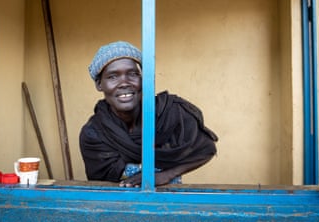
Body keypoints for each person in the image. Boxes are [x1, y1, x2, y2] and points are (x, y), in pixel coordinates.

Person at [79, 41, 218, 187]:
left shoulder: (170, 113)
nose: (124, 83)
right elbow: (102, 179)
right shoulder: (94, 133)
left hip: (170, 199)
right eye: (113, 77)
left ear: (143, 79)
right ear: (99, 84)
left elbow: (206, 150)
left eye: (133, 74)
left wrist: (166, 175)